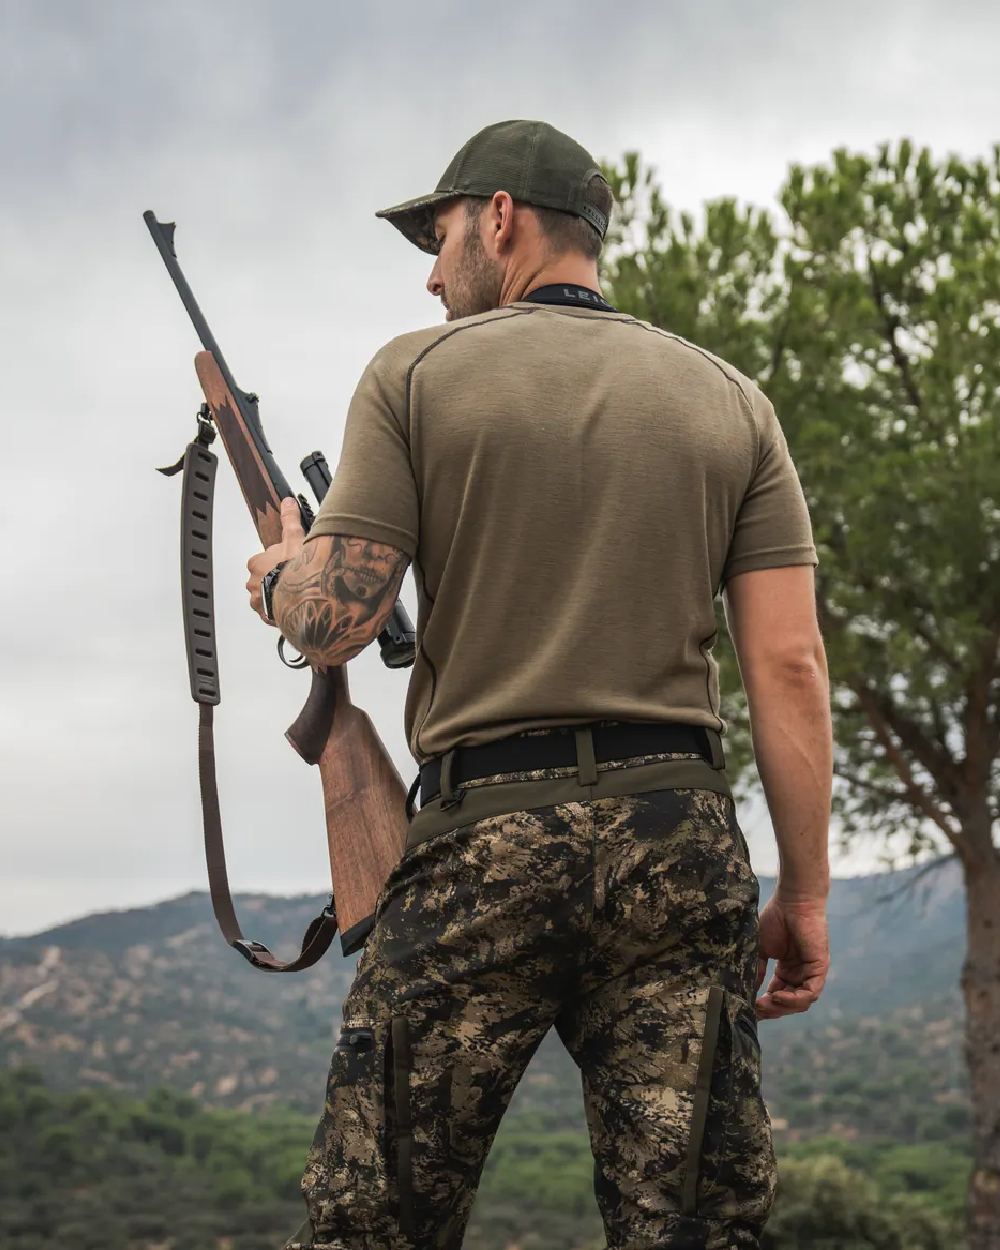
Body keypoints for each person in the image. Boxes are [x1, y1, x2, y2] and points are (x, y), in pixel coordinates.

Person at [245, 119, 833, 1250]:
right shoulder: (730, 399)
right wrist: (803, 893)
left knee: (371, 1220)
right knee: (700, 1226)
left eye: (440, 230)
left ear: (500, 217)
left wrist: (279, 576)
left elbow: (340, 615)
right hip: (677, 840)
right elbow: (789, 666)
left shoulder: (413, 371)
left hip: (486, 843)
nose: (429, 265)